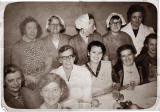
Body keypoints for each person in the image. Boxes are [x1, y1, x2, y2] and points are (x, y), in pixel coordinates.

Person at [11, 16, 50, 108]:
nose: (32, 31)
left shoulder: (41, 43)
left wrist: (43, 74)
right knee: (36, 107)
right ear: (24, 30)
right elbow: (14, 69)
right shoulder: (17, 46)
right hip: (27, 83)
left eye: (35, 28)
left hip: (44, 79)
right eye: (29, 28)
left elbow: (48, 60)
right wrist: (27, 77)